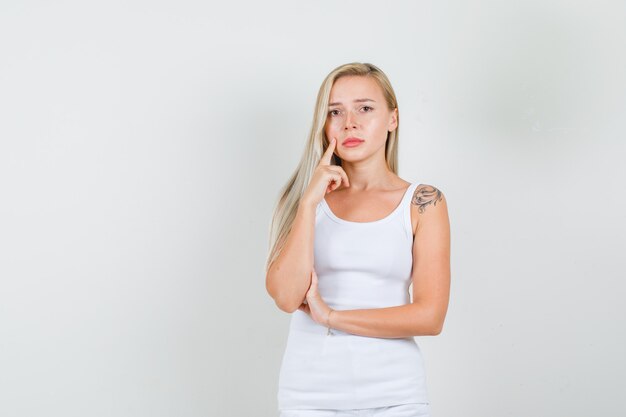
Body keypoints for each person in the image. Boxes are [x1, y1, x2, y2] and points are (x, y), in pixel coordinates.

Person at [265, 62, 451, 417]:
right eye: (335, 111)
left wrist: (332, 316)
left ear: (392, 119)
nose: (350, 122)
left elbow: (430, 317)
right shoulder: (304, 200)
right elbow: (287, 297)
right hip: (308, 396)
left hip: (395, 396)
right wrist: (307, 204)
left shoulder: (423, 203)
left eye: (365, 108)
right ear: (324, 124)